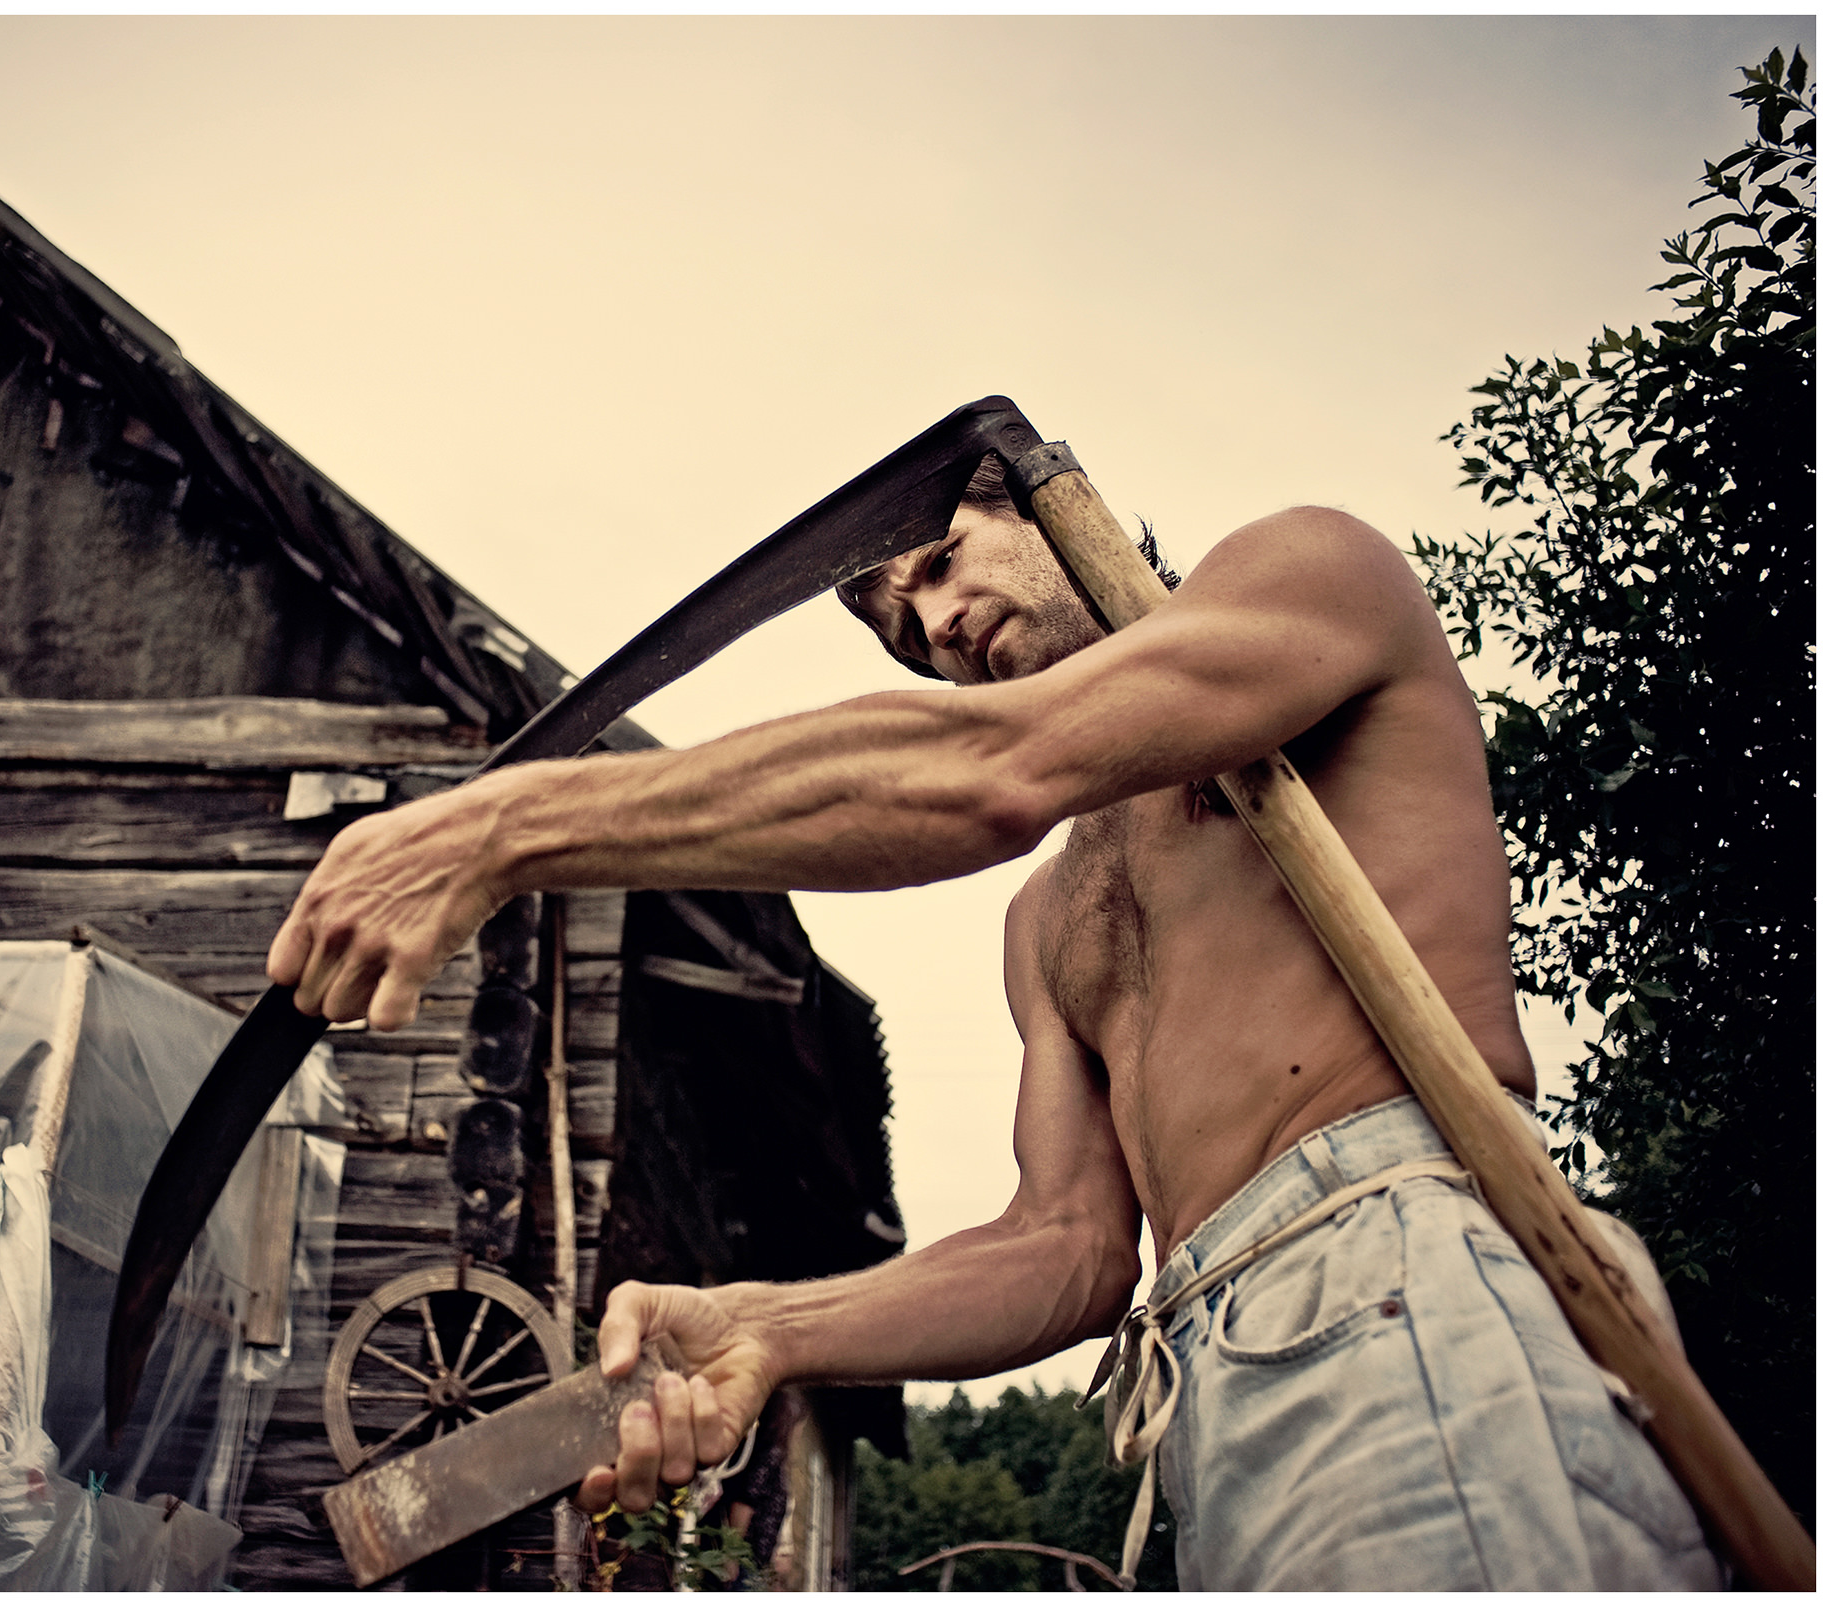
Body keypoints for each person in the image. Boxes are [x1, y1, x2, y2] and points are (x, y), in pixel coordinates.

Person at [265, 456, 1720, 1589]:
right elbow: (1071, 1254)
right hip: (1207, 1386)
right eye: (905, 629)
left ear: (1044, 503)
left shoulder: (1307, 576)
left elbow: (990, 770)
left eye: (944, 564)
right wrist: (770, 1328)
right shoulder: (1053, 922)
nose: (942, 626)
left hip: (1404, 1282)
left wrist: (508, 820)